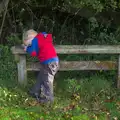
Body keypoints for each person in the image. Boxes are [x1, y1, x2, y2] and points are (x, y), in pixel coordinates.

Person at [23, 29, 59, 103]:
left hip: (49, 63)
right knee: (41, 77)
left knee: (47, 81)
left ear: (29, 37)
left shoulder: (35, 40)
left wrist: (27, 48)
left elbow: (33, 52)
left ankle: (48, 99)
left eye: (28, 44)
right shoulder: (42, 37)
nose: (30, 45)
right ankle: (34, 91)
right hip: (51, 61)